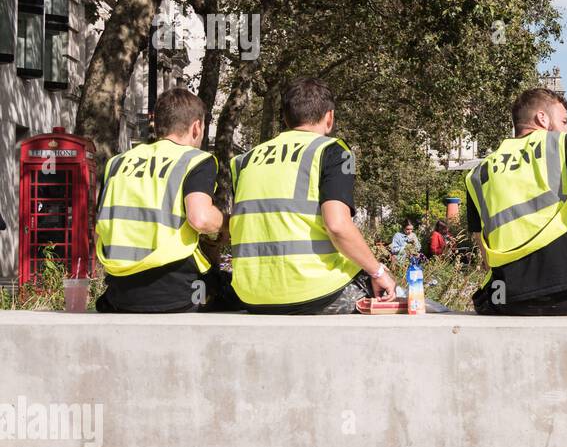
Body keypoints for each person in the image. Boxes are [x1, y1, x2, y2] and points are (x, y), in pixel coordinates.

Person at [230, 76, 398, 314]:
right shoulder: (330, 151)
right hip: (313, 291)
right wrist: (378, 271)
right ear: (329, 117)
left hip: (251, 294)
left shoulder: (244, 160)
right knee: (401, 299)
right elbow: (337, 226)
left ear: (285, 117)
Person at [466, 87, 567, 315]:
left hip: (505, 299)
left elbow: (483, 248)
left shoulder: (478, 173)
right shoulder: (563, 144)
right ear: (542, 118)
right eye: (564, 120)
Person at [94, 88, 227, 313]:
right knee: (233, 292)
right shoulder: (195, 160)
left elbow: (99, 229)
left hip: (120, 294)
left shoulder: (117, 163)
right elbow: (201, 219)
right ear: (196, 127)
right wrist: (225, 224)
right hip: (176, 293)